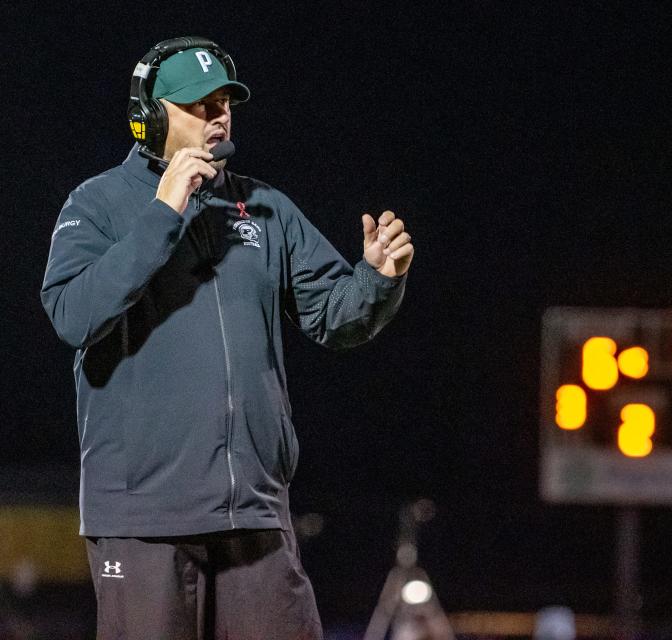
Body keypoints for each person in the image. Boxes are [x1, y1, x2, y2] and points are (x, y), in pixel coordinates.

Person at [40, 38, 413, 639]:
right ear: (152, 116)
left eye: (224, 102)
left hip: (255, 515)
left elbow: (334, 318)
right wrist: (163, 214)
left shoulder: (264, 208)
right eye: (199, 105)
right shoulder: (99, 203)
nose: (219, 116)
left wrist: (375, 279)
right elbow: (72, 315)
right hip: (143, 521)